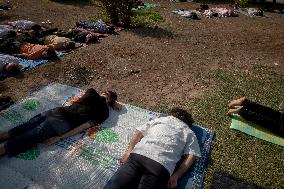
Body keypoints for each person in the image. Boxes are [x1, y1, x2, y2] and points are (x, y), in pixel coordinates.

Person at [0, 89, 121, 157]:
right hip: (60, 123)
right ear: (110, 102)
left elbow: (89, 97)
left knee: (16, 131)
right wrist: (59, 138)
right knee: (20, 141)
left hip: (54, 112)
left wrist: (109, 100)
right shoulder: (104, 113)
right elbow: (84, 126)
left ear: (104, 93)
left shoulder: (91, 92)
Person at [108, 108, 201, 189]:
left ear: (172, 114)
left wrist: (128, 152)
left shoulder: (161, 119)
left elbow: (138, 132)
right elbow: (191, 156)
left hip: (139, 155)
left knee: (116, 186)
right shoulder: (189, 132)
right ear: (188, 123)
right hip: (161, 166)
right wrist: (176, 176)